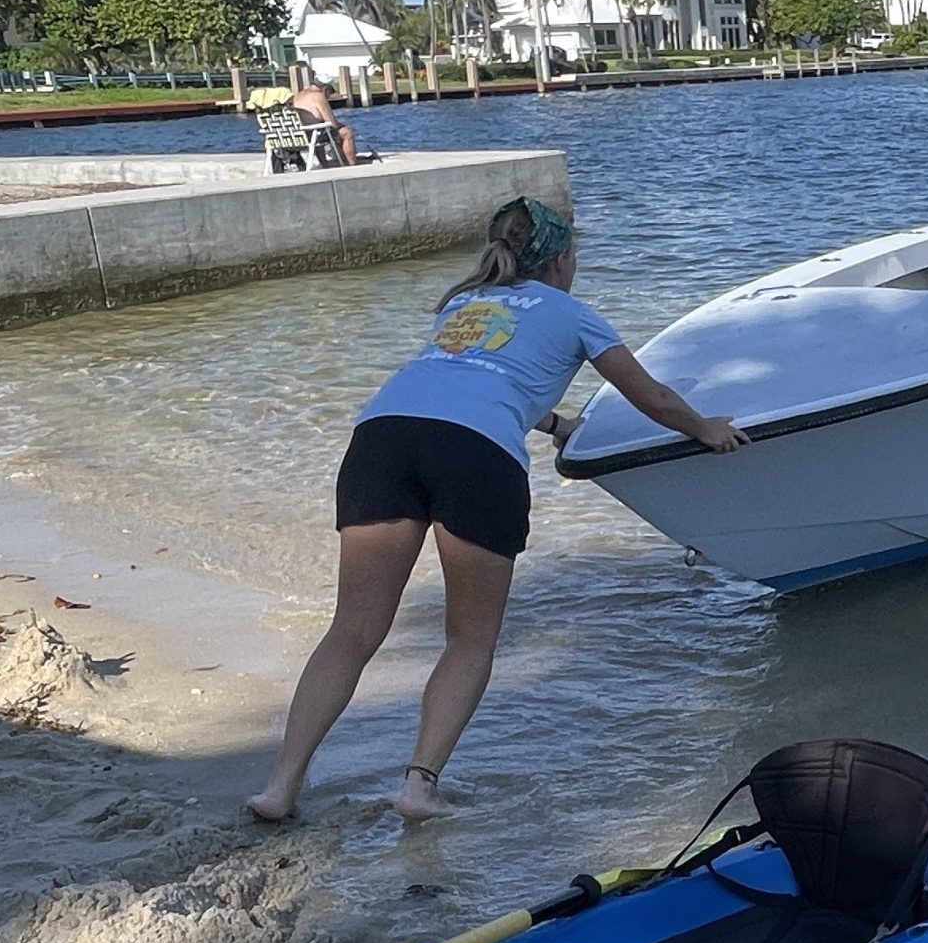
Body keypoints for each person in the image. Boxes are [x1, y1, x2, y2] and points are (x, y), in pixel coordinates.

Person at [246, 198, 748, 824]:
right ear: (564, 258)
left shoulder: (466, 303)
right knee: (471, 639)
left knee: (352, 631)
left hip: (383, 437)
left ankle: (280, 786)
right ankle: (419, 787)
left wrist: (558, 422)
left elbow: (480, 378)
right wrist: (706, 429)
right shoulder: (575, 313)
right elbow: (651, 396)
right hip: (476, 457)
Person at [290, 77, 359, 167]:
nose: (329, 96)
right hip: (314, 134)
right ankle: (352, 164)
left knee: (320, 130)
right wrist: (342, 126)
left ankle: (324, 164)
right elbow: (331, 122)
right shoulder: (318, 96)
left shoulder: (298, 95)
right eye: (331, 92)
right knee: (347, 133)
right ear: (325, 89)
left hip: (299, 135)